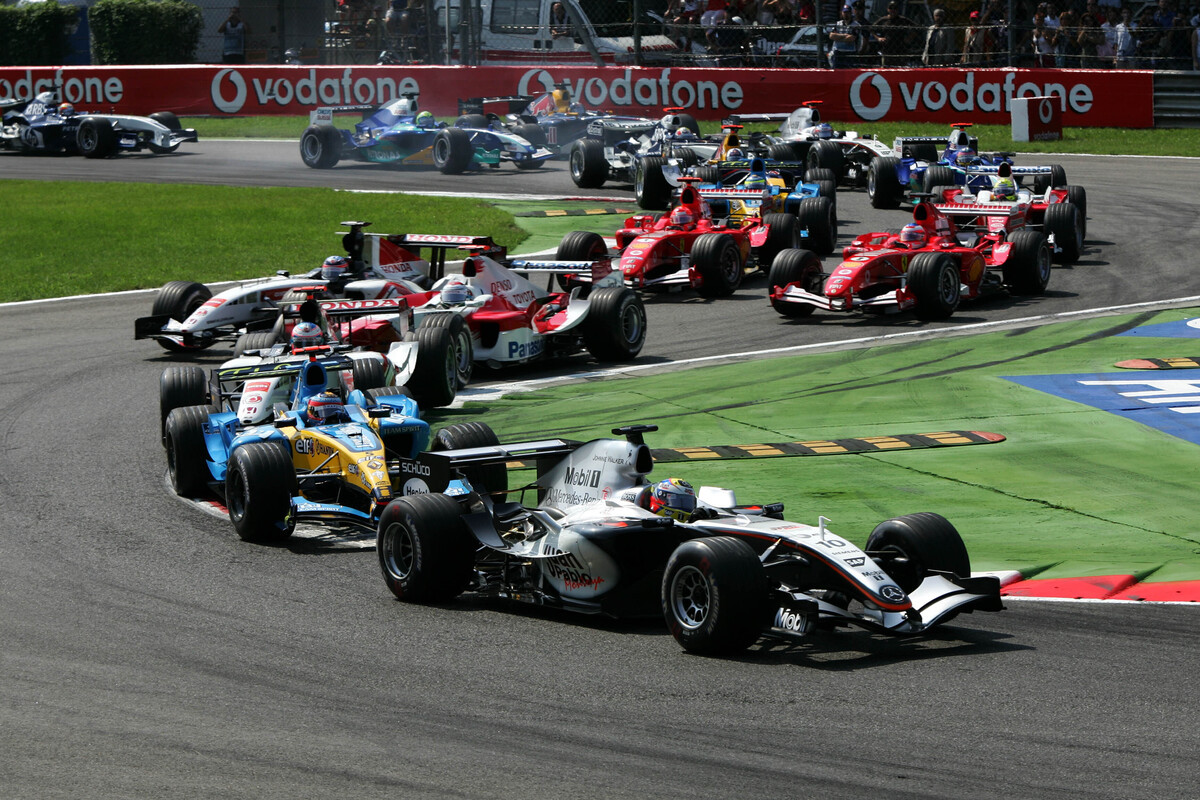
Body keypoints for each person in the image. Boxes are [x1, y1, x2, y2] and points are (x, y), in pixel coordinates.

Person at [872, 1, 917, 66]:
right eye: (891, 8)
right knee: (886, 68)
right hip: (887, 50)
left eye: (895, 8)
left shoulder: (902, 20)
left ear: (898, 10)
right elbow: (871, 29)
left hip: (901, 50)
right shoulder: (883, 20)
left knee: (900, 68)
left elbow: (917, 28)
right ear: (887, 9)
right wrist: (878, 38)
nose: (893, 10)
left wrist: (909, 38)